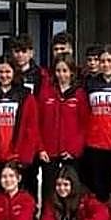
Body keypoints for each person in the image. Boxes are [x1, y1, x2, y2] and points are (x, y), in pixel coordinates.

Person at [0, 56, 40, 197]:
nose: (4, 75)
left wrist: (26, 157)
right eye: (0, 72)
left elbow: (31, 129)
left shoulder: (25, 95)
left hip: (17, 156)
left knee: (22, 196)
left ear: (14, 72)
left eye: (8, 72)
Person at [36, 57, 90, 199]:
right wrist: (41, 148)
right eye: (58, 71)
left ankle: (71, 219)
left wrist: (75, 149)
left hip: (71, 153)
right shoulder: (46, 93)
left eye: (65, 70)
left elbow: (85, 125)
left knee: (71, 190)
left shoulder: (79, 94)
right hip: (49, 153)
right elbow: (38, 122)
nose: (61, 74)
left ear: (72, 72)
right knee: (49, 191)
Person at [82, 44, 111, 200]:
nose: (105, 64)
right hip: (95, 144)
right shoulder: (90, 84)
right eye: (102, 61)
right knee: (98, 190)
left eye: (109, 60)